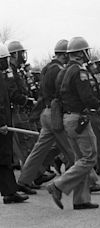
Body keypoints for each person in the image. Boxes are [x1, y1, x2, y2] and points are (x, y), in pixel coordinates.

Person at [46, 37, 100, 210]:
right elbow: (87, 97)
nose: (87, 54)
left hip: (68, 118)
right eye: (86, 51)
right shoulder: (79, 71)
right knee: (89, 158)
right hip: (79, 118)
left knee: (80, 159)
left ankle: (81, 199)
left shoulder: (63, 71)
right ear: (80, 52)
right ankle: (58, 185)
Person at [17, 40, 75, 193]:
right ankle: (89, 180)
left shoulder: (48, 68)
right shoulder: (58, 70)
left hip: (47, 112)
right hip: (55, 113)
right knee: (72, 149)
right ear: (65, 55)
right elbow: (63, 93)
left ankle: (25, 180)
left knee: (39, 150)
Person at [0, 43, 29, 204]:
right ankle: (9, 192)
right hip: (2, 125)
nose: (7, 61)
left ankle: (9, 191)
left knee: (5, 159)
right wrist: (2, 123)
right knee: (4, 158)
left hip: (4, 123)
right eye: (4, 59)